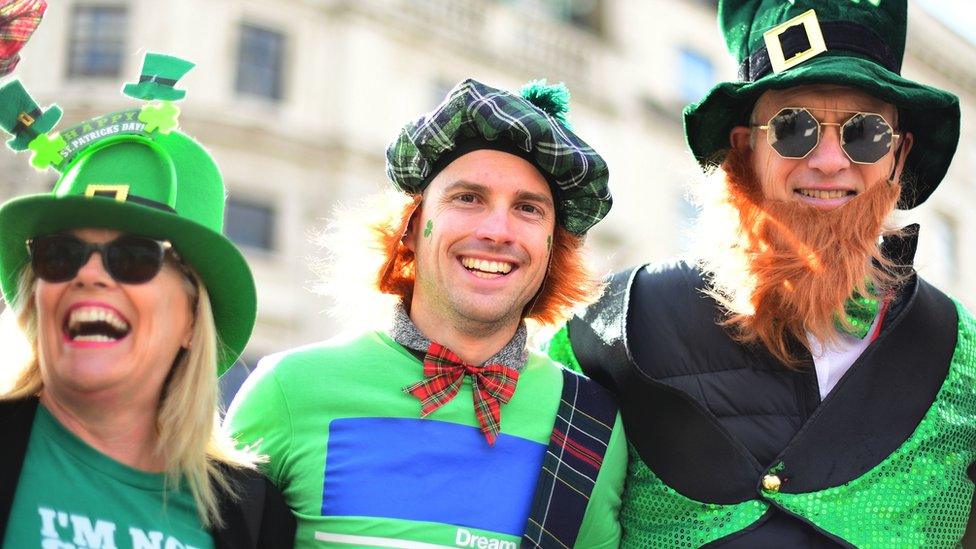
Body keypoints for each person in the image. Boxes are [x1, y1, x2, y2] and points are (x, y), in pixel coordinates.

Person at [548, 1, 976, 547]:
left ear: (898, 154)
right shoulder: (610, 328)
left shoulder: (965, 357)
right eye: (793, 127)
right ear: (745, 147)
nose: (828, 160)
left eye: (864, 132)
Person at [226, 79, 626, 548]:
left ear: (551, 248)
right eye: (468, 198)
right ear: (411, 230)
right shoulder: (289, 389)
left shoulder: (591, 422)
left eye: (528, 208)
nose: (497, 230)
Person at [0, 53, 295, 548]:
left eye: (134, 257)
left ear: (191, 320)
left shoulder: (256, 517)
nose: (89, 274)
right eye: (60, 254)